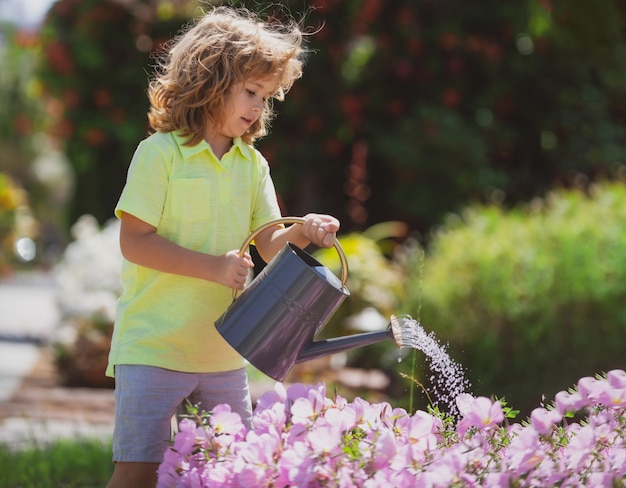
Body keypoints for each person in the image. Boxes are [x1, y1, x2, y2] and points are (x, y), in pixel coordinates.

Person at [105, 6, 339, 487]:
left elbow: (271, 243)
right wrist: (212, 268)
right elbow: (135, 242)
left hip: (224, 354)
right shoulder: (160, 155)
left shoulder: (251, 166)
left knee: (232, 472)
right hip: (153, 347)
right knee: (137, 472)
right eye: (250, 91)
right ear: (210, 79)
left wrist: (305, 231)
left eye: (266, 97)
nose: (258, 107)